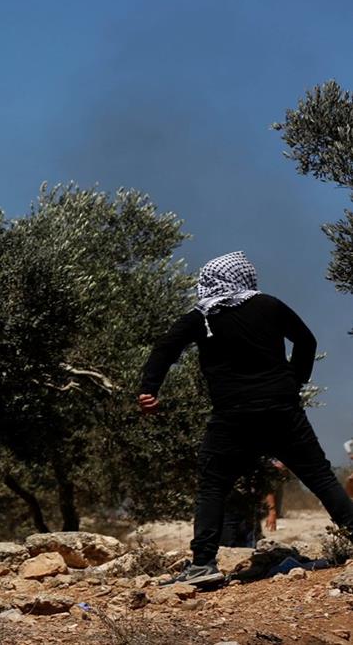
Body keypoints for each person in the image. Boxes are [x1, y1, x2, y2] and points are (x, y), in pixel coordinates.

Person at [139, 251, 353, 586]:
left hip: (232, 417)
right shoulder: (268, 305)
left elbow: (165, 349)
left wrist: (149, 388)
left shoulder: (202, 316)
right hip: (282, 411)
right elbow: (306, 341)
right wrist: (294, 381)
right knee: (321, 477)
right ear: (244, 278)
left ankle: (204, 565)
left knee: (212, 486)